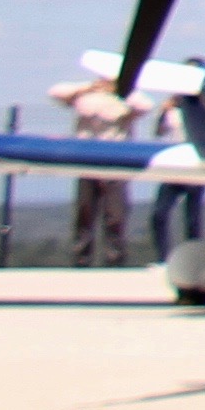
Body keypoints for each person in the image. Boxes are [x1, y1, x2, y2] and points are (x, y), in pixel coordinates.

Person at [49, 55, 140, 264]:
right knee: (85, 210)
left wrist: (121, 90)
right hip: (88, 159)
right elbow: (56, 92)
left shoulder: (124, 98)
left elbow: (143, 106)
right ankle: (81, 256)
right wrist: (88, 88)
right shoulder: (86, 96)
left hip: (115, 161)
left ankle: (115, 256)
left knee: (115, 212)